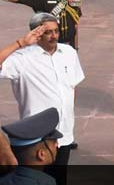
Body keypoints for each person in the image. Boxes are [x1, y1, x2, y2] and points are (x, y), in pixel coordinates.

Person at [0, 13, 85, 185]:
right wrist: (20, 43)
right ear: (36, 33)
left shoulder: (68, 53)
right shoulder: (21, 59)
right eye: (48, 32)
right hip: (36, 140)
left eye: (56, 31)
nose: (54, 36)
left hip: (64, 134)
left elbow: (72, 87)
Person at [0, 108, 62, 185]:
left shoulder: (4, 179)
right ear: (41, 154)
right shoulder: (47, 182)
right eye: (54, 143)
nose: (57, 145)